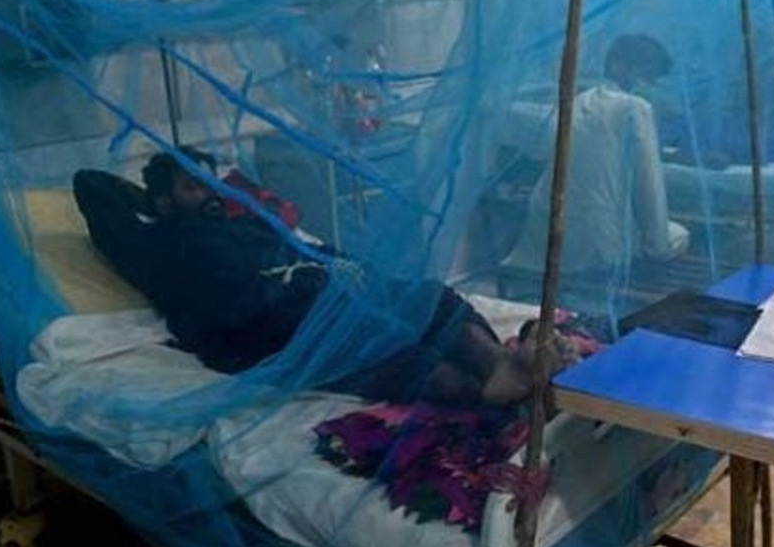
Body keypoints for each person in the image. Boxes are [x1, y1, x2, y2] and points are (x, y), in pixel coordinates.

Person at [74, 149, 567, 407]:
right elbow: (89, 186)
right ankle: (479, 392)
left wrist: (353, 272)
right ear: (164, 200)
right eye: (191, 186)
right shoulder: (162, 245)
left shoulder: (243, 221)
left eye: (208, 181)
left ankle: (499, 362)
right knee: (376, 337)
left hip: (315, 288)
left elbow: (305, 249)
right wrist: (152, 200)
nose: (208, 194)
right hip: (259, 320)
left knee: (425, 297)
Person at [505, 33, 685, 274]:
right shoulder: (635, 107)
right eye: (648, 75)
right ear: (620, 66)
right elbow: (648, 187)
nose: (651, 84)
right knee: (678, 234)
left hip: (544, 231)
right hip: (597, 242)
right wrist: (658, 246)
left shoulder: (578, 101)